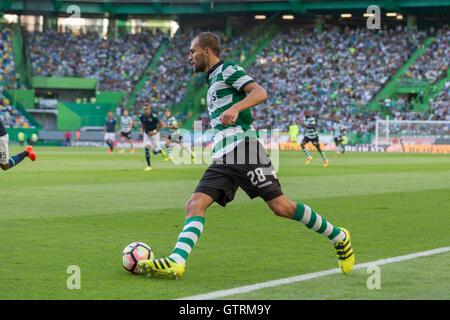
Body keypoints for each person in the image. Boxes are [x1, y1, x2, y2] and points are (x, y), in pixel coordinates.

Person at [138, 32, 354, 279]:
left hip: (244, 148)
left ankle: (339, 237)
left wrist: (236, 107)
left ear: (207, 51)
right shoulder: (212, 81)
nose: (189, 57)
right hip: (223, 156)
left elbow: (260, 93)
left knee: (281, 207)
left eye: (192, 51)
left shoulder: (228, 69)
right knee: (194, 204)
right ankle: (177, 261)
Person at [139, 103, 166, 171]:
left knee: (154, 152)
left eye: (147, 109)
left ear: (150, 109)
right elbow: (142, 124)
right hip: (147, 134)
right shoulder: (142, 116)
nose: (146, 111)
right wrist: (141, 131)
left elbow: (160, 125)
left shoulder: (154, 116)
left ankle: (160, 151)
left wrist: (153, 132)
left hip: (155, 135)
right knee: (147, 149)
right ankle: (149, 166)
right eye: (145, 109)